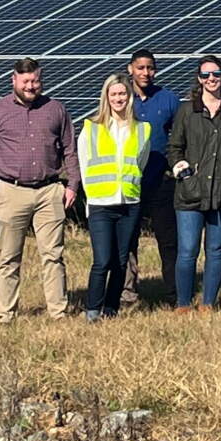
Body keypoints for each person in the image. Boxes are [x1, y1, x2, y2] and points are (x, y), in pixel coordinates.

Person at [0, 58, 80, 323]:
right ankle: (6, 314)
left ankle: (58, 312)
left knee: (53, 255)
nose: (31, 86)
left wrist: (72, 184)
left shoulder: (56, 109)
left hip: (49, 191)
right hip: (11, 190)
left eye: (36, 81)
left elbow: (70, 150)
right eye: (26, 81)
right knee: (9, 257)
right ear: (14, 81)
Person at [168, 56, 221, 313]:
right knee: (188, 250)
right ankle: (183, 303)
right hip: (190, 192)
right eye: (205, 75)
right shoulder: (186, 111)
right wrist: (184, 173)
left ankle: (208, 303)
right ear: (198, 79)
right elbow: (175, 148)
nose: (211, 79)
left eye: (216, 74)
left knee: (215, 251)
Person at [78, 74, 151, 323]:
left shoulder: (142, 129)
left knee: (121, 261)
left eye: (123, 94)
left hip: (129, 203)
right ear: (106, 98)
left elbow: (141, 164)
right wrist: (90, 201)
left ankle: (111, 308)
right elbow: (84, 165)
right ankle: (92, 310)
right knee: (102, 260)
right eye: (114, 94)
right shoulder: (91, 129)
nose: (118, 99)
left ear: (129, 97)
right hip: (101, 203)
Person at [121, 49, 181, 309]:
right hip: (128, 183)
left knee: (168, 241)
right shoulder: (121, 98)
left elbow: (178, 138)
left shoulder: (168, 99)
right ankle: (127, 294)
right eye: (140, 68)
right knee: (127, 240)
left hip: (161, 181)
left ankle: (174, 294)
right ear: (130, 69)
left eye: (150, 68)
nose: (146, 73)